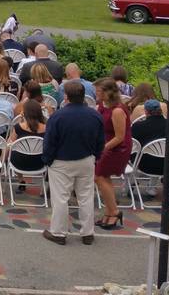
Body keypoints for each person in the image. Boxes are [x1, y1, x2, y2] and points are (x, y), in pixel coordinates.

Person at [42, 80, 105, 246]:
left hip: (61, 161)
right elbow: (100, 140)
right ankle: (88, 233)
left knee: (61, 198)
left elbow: (49, 142)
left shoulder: (57, 116)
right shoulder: (95, 115)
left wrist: (48, 159)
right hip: (86, 159)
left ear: (66, 97)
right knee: (86, 197)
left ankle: (58, 232)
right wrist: (95, 156)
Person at [93, 78, 132, 230]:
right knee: (103, 177)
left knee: (99, 176)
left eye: (98, 91)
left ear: (107, 93)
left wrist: (103, 148)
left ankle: (114, 211)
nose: (96, 93)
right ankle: (110, 211)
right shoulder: (102, 106)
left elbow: (120, 136)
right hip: (107, 144)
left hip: (117, 148)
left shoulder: (117, 110)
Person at [9, 99, 47, 175]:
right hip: (39, 163)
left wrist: (3, 159)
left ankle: (21, 180)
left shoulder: (18, 127)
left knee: (13, 146)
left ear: (25, 112)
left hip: (19, 163)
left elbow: (10, 144)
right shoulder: (47, 128)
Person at [132, 99, 167, 177]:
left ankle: (130, 183)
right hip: (168, 166)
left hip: (145, 166)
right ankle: (151, 188)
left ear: (146, 111)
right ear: (161, 110)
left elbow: (132, 146)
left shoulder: (138, 126)